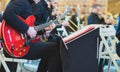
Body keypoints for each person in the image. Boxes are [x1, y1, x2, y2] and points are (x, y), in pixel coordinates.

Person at [2, 0, 64, 72]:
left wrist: (44, 31)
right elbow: (8, 14)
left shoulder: (29, 4)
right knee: (56, 49)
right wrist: (27, 29)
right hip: (16, 46)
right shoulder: (22, 1)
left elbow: (31, 30)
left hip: (23, 44)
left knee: (56, 46)